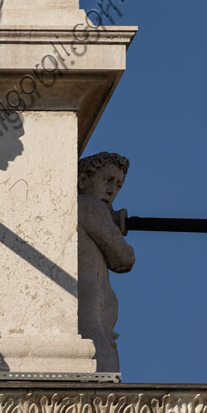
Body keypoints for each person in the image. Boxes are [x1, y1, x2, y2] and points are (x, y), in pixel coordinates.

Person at [77, 151, 135, 372]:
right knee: (101, 372)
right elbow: (124, 258)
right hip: (89, 308)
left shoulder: (91, 209)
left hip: (100, 315)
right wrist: (113, 225)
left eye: (118, 185)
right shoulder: (88, 205)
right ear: (83, 180)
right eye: (107, 180)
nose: (112, 190)